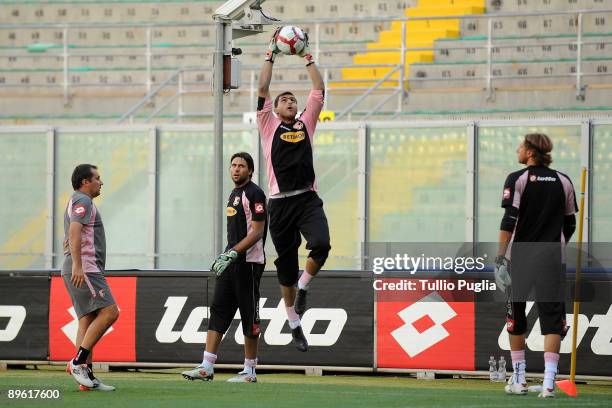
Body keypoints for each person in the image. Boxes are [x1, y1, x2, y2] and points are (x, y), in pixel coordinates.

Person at [257, 28, 331, 352]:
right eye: (283, 99)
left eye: (292, 100)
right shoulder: (268, 125)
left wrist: (306, 56)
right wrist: (270, 54)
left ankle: (304, 288)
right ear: (274, 109)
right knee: (284, 271)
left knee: (322, 244)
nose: (289, 102)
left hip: (306, 199)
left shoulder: (306, 123)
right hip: (280, 204)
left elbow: (319, 88)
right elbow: (262, 87)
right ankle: (293, 321)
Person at [494, 134, 577, 398]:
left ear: (530, 151)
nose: (518, 149)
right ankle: (550, 383)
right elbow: (570, 223)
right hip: (553, 257)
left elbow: (509, 219)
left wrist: (500, 256)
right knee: (553, 320)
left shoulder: (517, 178)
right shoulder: (563, 180)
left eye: (521, 146)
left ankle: (519, 380)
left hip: (522, 256)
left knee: (515, 317)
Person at [182, 152, 267, 383]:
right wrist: (228, 254)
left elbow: (257, 232)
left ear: (250, 170)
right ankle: (206, 366)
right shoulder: (233, 194)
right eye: (233, 165)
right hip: (231, 263)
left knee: (250, 317)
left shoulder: (255, 193)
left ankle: (249, 371)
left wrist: (233, 252)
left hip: (249, 263)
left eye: (241, 166)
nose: (236, 169)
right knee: (219, 310)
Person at [63, 164, 119, 392]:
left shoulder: (76, 200)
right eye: (97, 178)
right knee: (110, 312)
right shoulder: (83, 201)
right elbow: (75, 230)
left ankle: (86, 379)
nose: (101, 182)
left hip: (82, 267)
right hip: (86, 268)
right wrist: (77, 265)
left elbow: (73, 232)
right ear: (86, 181)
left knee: (87, 320)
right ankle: (78, 362)